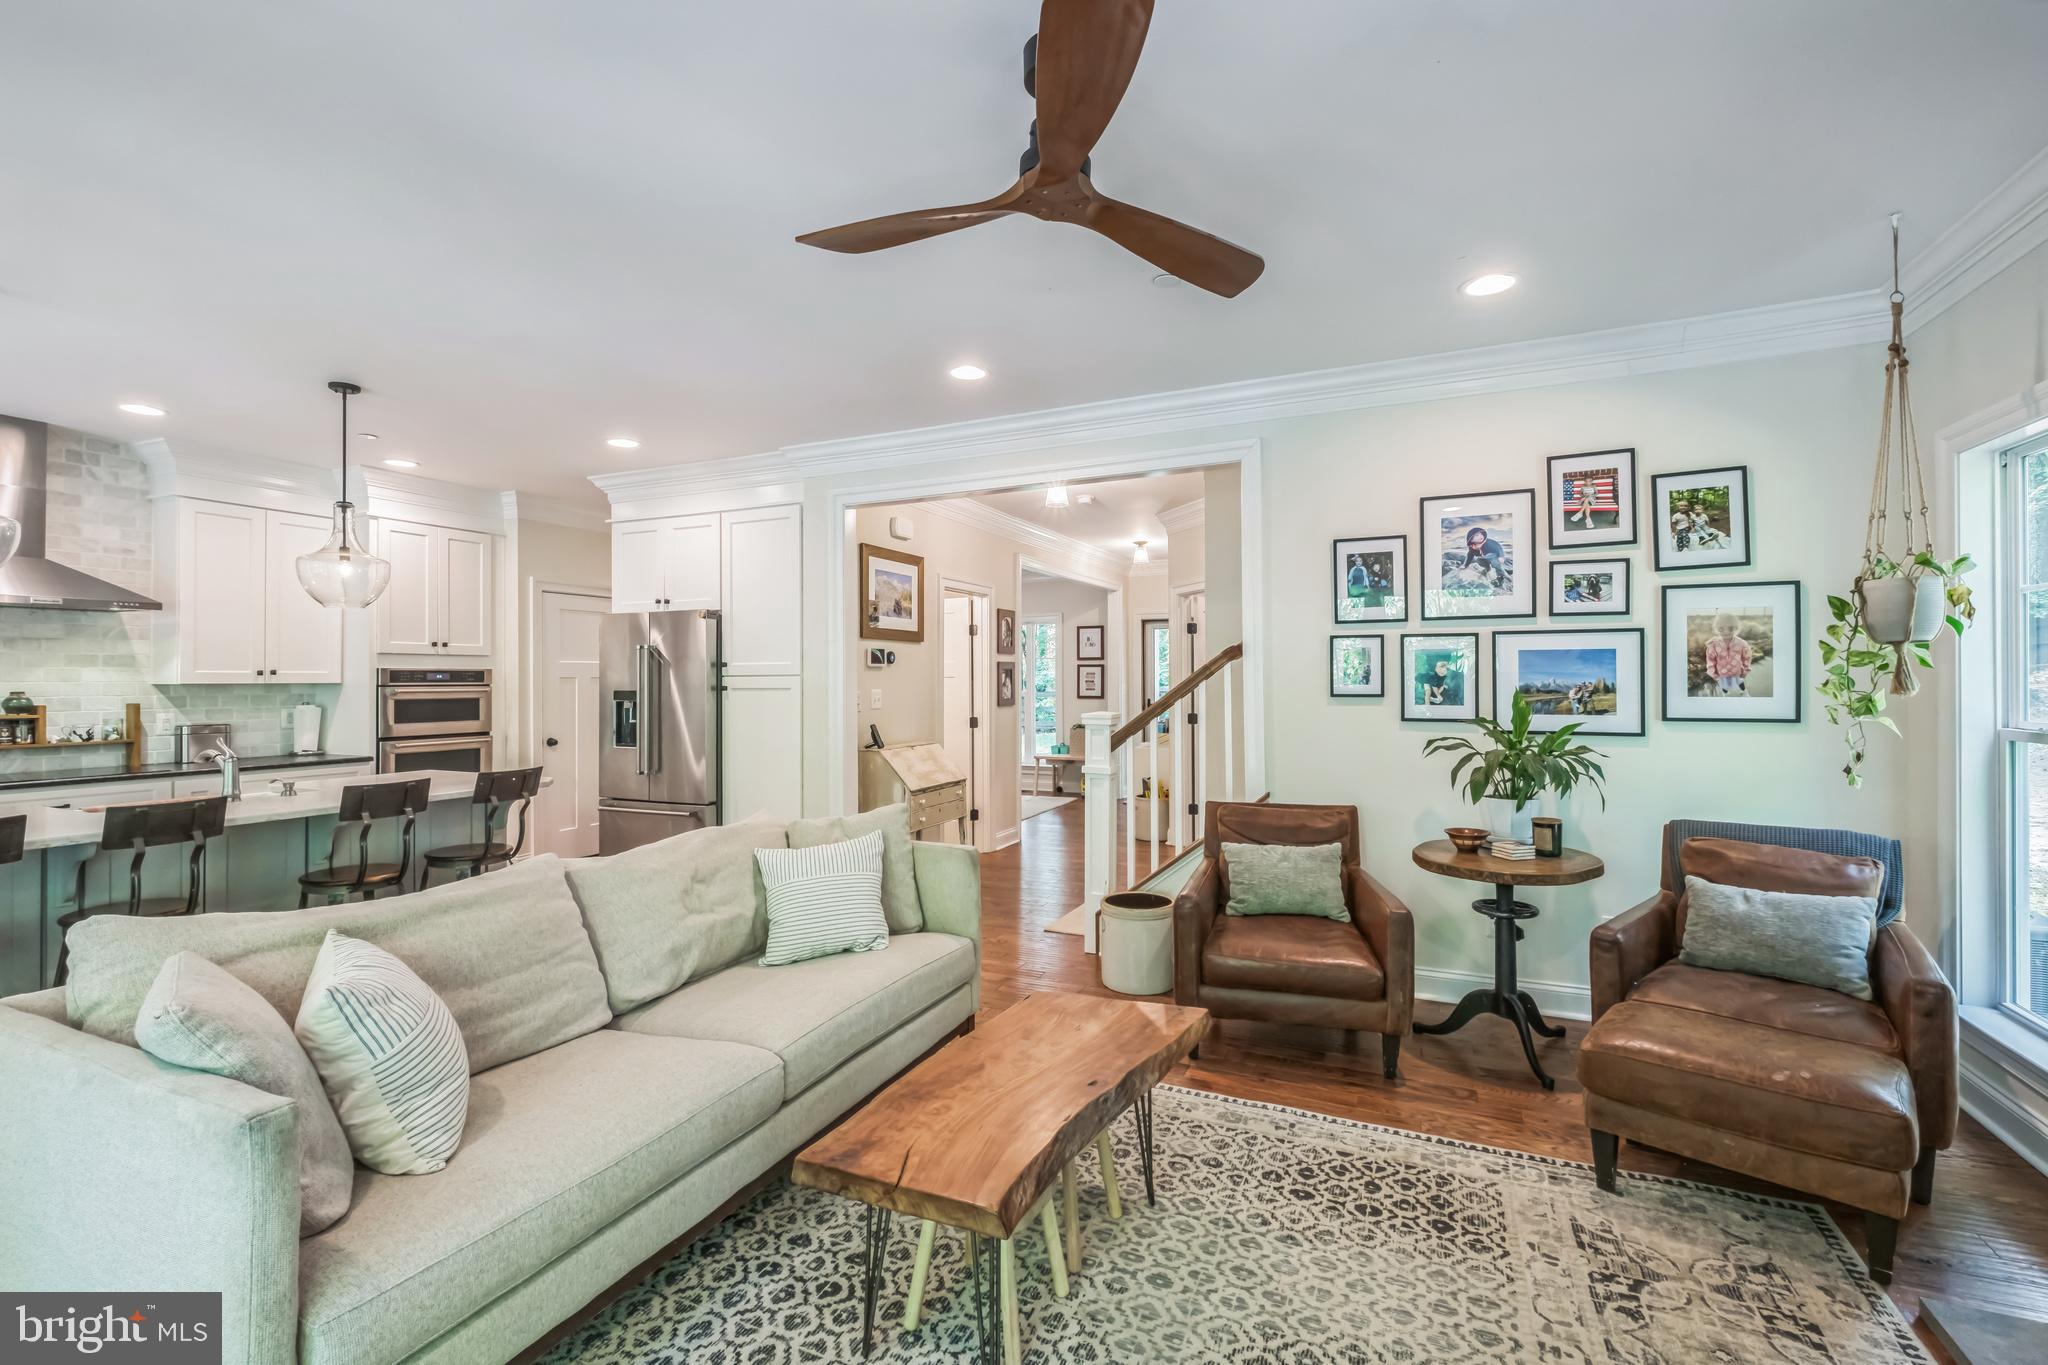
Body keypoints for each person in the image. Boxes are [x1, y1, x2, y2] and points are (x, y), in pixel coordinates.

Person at [1703, 611, 1752, 695]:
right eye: (1721, 629)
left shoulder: (1742, 644)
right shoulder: (1713, 645)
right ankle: (1725, 693)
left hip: (1738, 674)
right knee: (1724, 688)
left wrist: (1744, 672)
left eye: (1730, 628)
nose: (1726, 632)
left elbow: (1747, 657)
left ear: (1736, 628)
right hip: (1721, 675)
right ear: (1716, 629)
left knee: (1741, 686)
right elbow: (1710, 661)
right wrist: (1714, 675)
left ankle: (1743, 692)